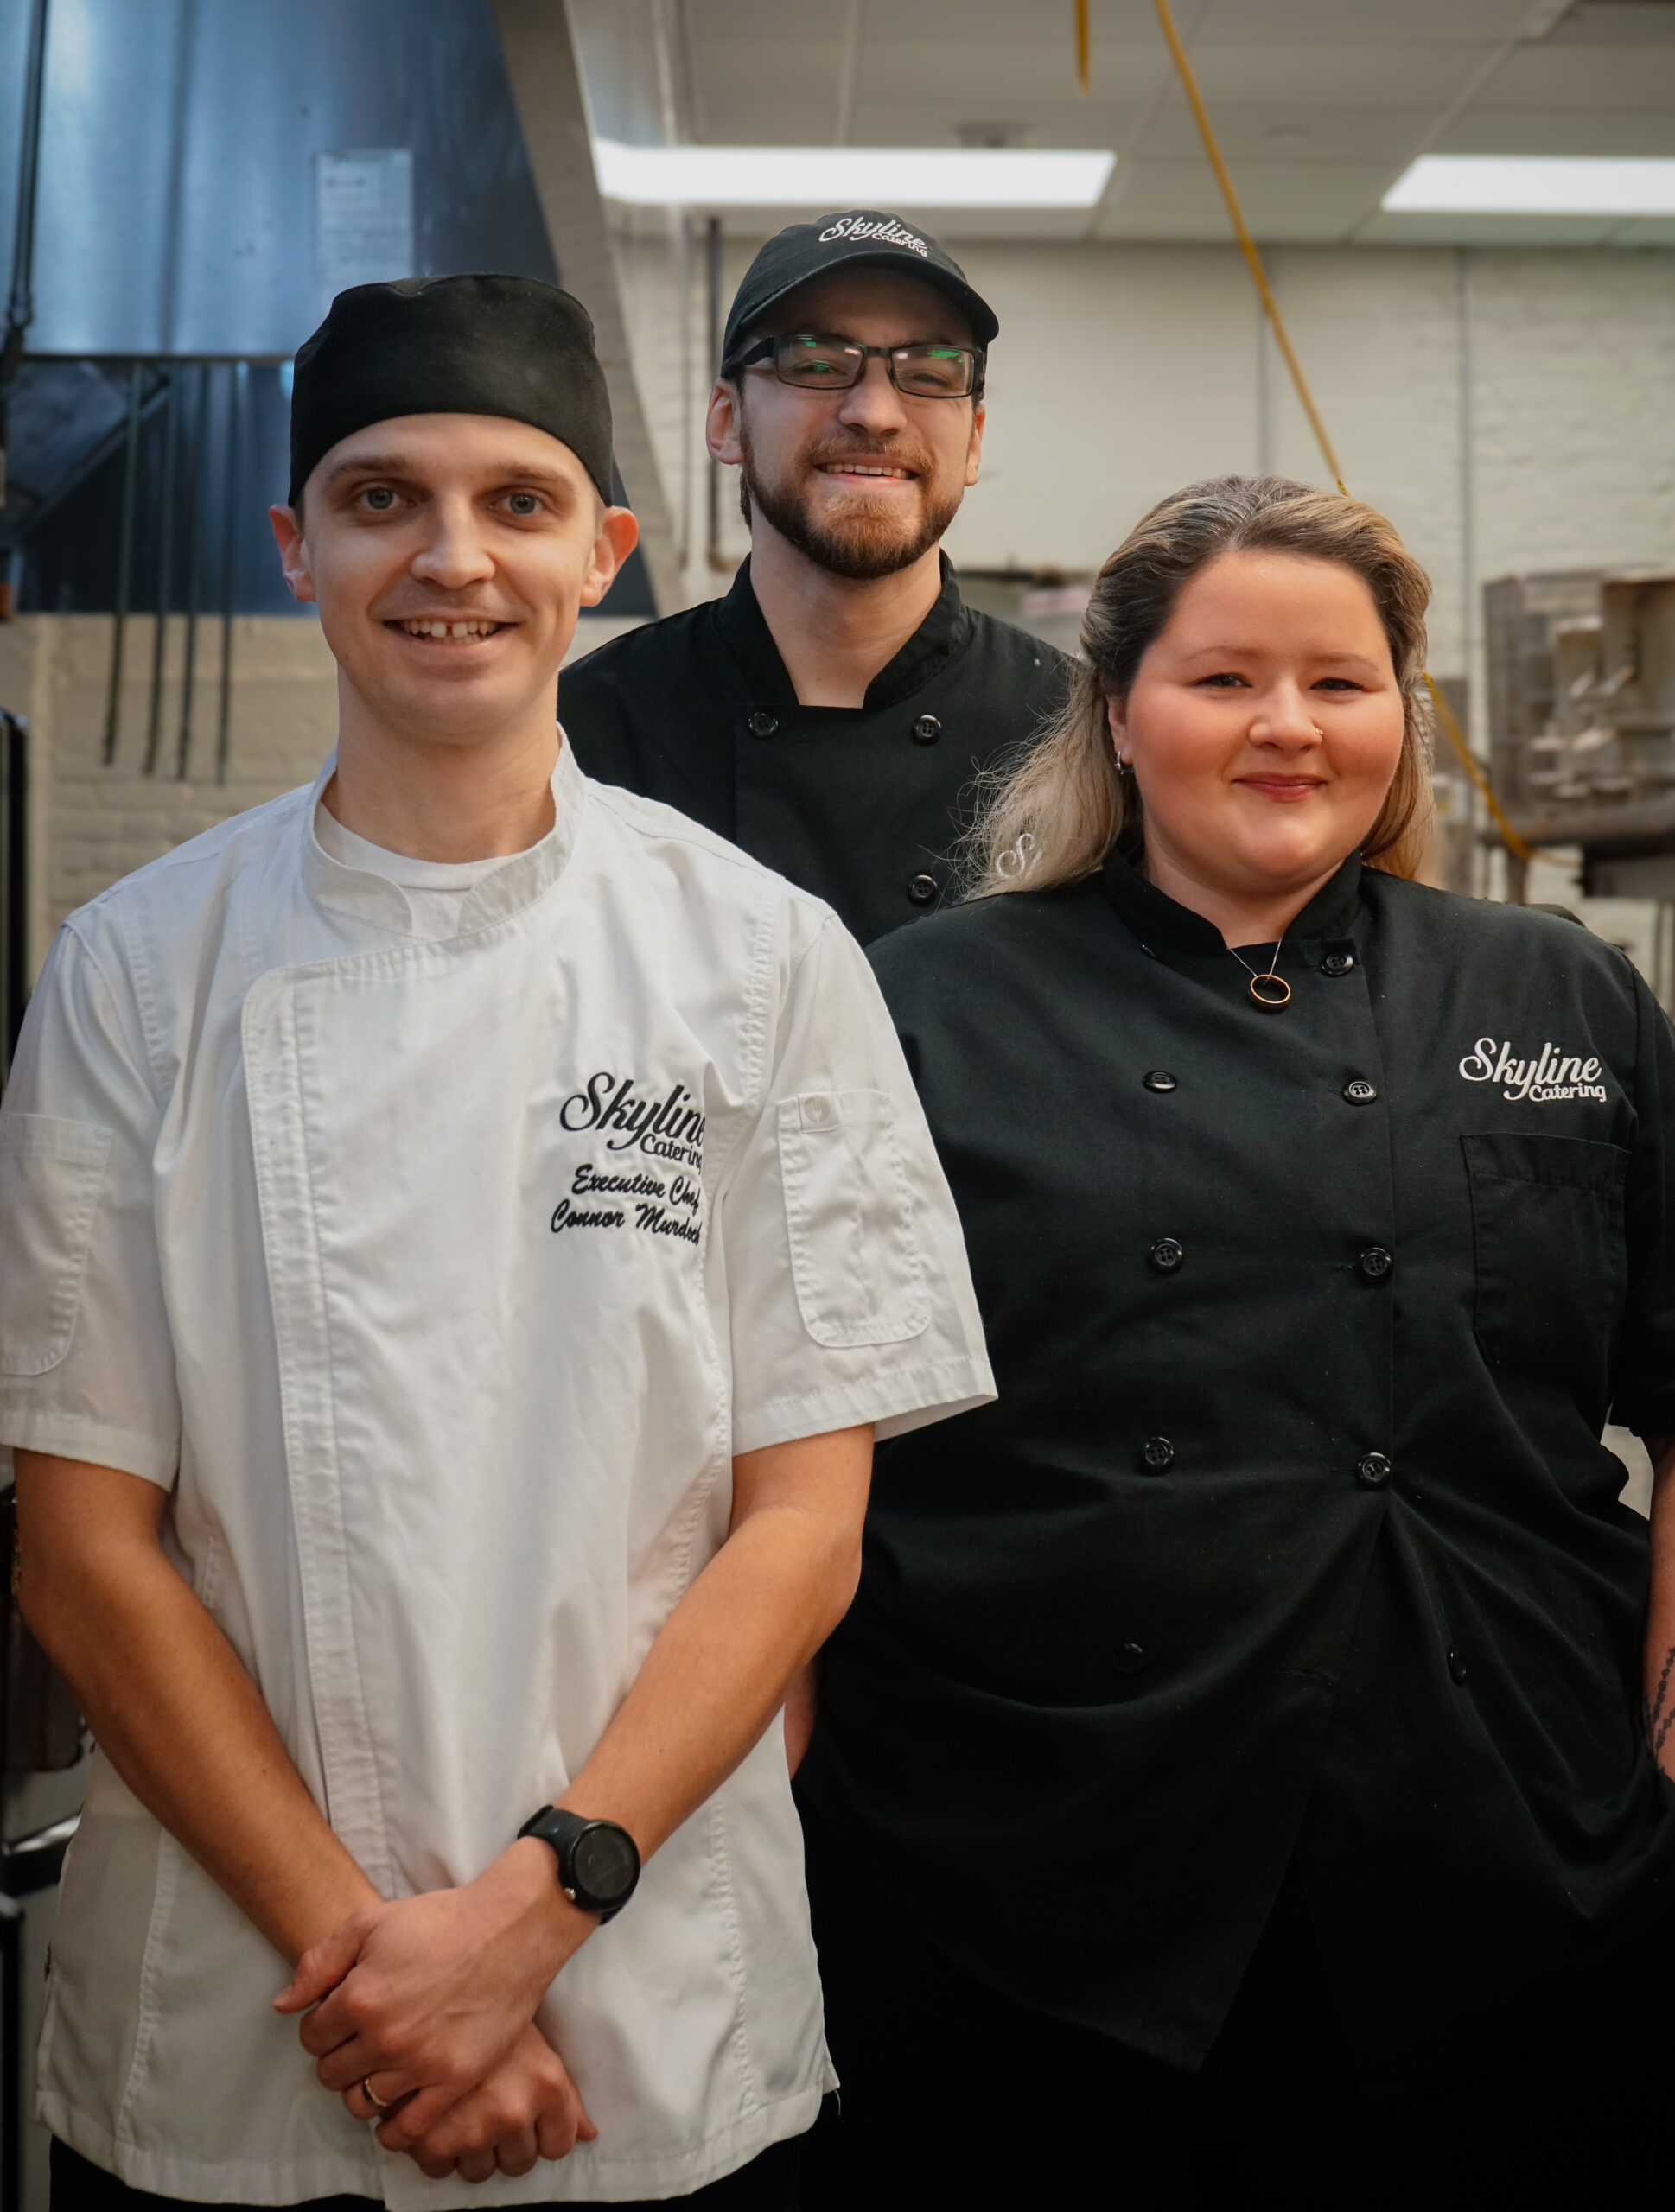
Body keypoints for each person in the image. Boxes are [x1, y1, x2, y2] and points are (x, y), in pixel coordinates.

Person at [0, 273, 992, 2209]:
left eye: (516, 502)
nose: (451, 557)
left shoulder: (760, 958)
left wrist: (530, 1918)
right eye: (380, 498)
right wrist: (389, 1980)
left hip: (639, 1998)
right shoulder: (135, 971)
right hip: (250, 2023)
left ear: (601, 554)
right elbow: (83, 1549)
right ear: (295, 546)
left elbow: (803, 1525)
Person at [795, 474, 1675, 2206]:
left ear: (1399, 714)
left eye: (1339, 681)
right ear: (1119, 711)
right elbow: (791, 1442)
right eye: (1222, 680)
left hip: (1511, 1842)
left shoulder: (1554, 991)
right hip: (1034, 1863)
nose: (1288, 725)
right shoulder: (925, 1003)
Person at [559, 211, 1073, 945]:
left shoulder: (1076, 736)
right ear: (726, 420)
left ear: (974, 443)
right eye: (817, 365)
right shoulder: (583, 736)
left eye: (929, 375)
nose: (875, 414)